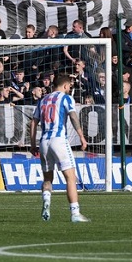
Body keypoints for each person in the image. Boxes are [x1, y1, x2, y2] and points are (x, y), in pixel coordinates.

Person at [30, 72, 88, 223]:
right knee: (70, 177)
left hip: (44, 142)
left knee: (48, 178)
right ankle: (75, 213)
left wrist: (32, 144)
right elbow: (73, 117)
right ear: (65, 85)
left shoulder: (43, 100)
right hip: (59, 140)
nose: (70, 88)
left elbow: (33, 122)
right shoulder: (66, 98)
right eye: (69, 86)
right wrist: (81, 136)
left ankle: (47, 200)